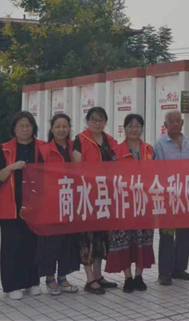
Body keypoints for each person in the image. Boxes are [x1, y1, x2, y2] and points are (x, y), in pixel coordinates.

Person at [0, 111, 44, 300]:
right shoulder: (4, 149)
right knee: (12, 246)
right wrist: (12, 167)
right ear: (14, 128)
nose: (25, 129)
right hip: (11, 206)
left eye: (28, 125)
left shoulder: (42, 148)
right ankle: (11, 285)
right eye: (21, 125)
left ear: (33, 128)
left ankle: (32, 282)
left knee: (33, 245)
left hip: (36, 206)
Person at [71, 106, 119, 294]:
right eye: (93, 120)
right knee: (87, 237)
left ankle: (98, 275)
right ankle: (89, 278)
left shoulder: (110, 140)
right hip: (87, 195)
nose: (97, 123)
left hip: (105, 196)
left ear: (105, 121)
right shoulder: (80, 140)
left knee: (101, 237)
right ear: (87, 121)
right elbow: (76, 168)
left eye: (101, 120)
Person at [108, 114, 155, 292]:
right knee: (124, 239)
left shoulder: (149, 150)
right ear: (124, 128)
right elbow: (111, 177)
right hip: (124, 202)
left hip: (145, 201)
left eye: (137, 126)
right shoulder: (116, 151)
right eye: (130, 126)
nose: (134, 129)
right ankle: (127, 277)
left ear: (142, 129)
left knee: (143, 238)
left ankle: (139, 276)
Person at [35, 113, 80, 295]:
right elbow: (38, 176)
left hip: (70, 201)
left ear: (69, 129)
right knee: (51, 242)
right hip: (50, 202)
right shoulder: (44, 150)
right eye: (58, 126)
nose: (61, 130)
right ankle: (50, 278)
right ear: (52, 129)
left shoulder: (74, 148)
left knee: (67, 241)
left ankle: (63, 277)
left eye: (65, 126)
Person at [153, 110, 189, 286]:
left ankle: (179, 269)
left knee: (184, 233)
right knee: (167, 234)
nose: (176, 124)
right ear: (166, 125)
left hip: (185, 194)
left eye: (179, 121)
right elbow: (157, 170)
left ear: (182, 123)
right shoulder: (160, 144)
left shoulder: (187, 142)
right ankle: (164, 272)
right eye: (172, 122)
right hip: (167, 195)